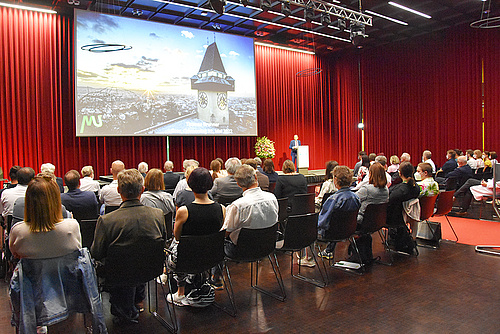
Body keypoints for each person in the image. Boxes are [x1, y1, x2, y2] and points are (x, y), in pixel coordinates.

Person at [91, 169, 165, 324]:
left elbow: (97, 253)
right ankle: (138, 300)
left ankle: (126, 309)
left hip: (117, 274)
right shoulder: (158, 214)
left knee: (126, 263)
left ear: (119, 190)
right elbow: (161, 243)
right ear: (142, 190)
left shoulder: (106, 220)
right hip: (149, 269)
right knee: (138, 258)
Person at [166, 168, 225, 307]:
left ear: (190, 184)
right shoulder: (221, 208)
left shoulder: (183, 211)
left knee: (174, 247)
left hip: (186, 260)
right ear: (210, 185)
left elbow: (178, 236)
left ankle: (180, 292)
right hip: (212, 258)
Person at [10, 176, 81, 259]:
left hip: (31, 272)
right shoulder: (72, 227)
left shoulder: (18, 231)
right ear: (56, 200)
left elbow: (14, 255)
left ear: (28, 201)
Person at [223, 164, 278, 260]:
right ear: (256, 177)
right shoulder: (272, 198)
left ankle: (216, 275)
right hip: (268, 247)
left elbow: (226, 232)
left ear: (238, 184)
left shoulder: (238, 206)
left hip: (242, 251)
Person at [317, 166, 360, 260]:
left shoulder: (333, 199)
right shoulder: (356, 198)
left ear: (335, 179)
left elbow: (322, 222)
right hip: (349, 231)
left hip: (331, 233)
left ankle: (306, 259)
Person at [386, 162, 420, 253]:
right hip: (406, 216)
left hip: (394, 218)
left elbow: (388, 201)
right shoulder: (416, 188)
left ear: (400, 173)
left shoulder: (399, 190)